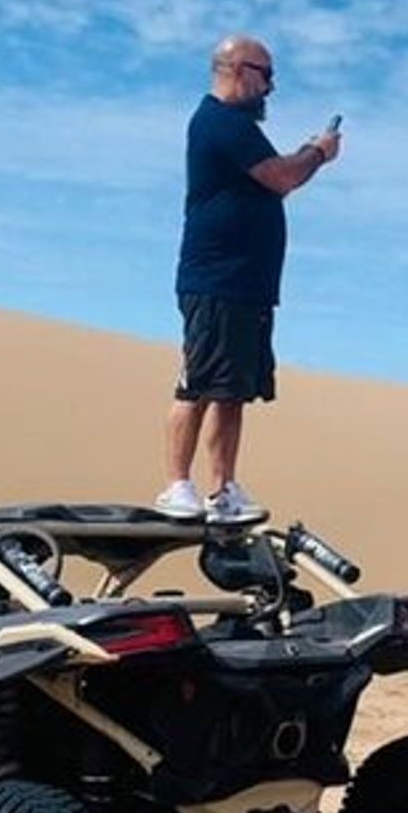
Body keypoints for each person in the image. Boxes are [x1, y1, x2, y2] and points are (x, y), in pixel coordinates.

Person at [153, 34, 341, 523]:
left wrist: (308, 153)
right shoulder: (221, 121)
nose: (271, 87)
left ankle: (222, 489)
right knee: (196, 383)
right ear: (239, 69)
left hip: (245, 285)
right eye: (266, 74)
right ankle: (176, 485)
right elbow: (281, 177)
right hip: (215, 280)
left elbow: (275, 176)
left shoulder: (237, 127)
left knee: (230, 391)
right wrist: (317, 152)